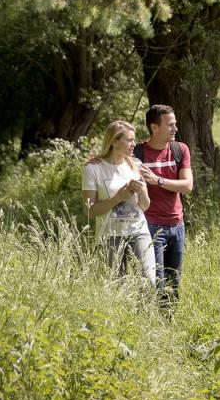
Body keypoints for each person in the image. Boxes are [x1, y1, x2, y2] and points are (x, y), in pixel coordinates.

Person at [81, 120, 154, 285]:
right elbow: (89, 211)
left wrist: (141, 190)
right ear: (114, 141)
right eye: (129, 140)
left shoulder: (136, 165)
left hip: (139, 231)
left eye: (133, 140)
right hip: (110, 236)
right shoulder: (93, 169)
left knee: (148, 282)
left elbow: (145, 205)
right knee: (116, 286)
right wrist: (117, 198)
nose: (133, 144)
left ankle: (147, 312)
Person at [134, 104, 193, 302]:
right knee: (154, 282)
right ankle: (151, 324)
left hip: (177, 225)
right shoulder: (137, 154)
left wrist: (158, 180)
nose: (175, 129)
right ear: (154, 127)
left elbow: (187, 186)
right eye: (170, 125)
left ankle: (170, 324)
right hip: (149, 226)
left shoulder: (180, 149)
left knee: (173, 282)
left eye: (175, 124)